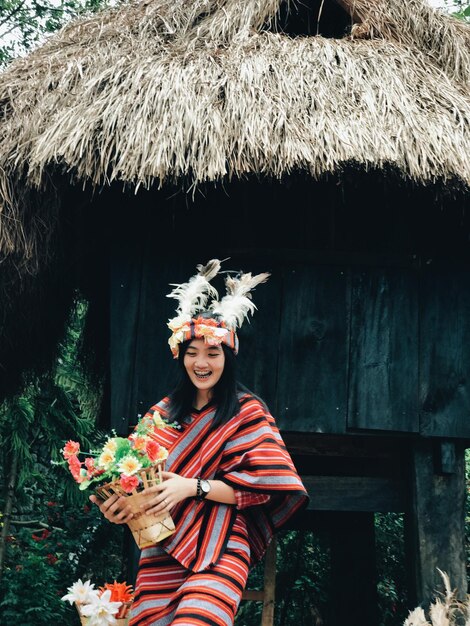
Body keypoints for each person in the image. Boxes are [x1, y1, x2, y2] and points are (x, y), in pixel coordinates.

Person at [90, 259, 309, 626]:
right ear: (181, 357)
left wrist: (191, 487)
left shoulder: (247, 412)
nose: (201, 362)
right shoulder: (159, 415)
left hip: (222, 546)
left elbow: (266, 486)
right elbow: (128, 484)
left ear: (228, 356)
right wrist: (114, 507)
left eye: (212, 353)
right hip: (161, 550)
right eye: (192, 353)